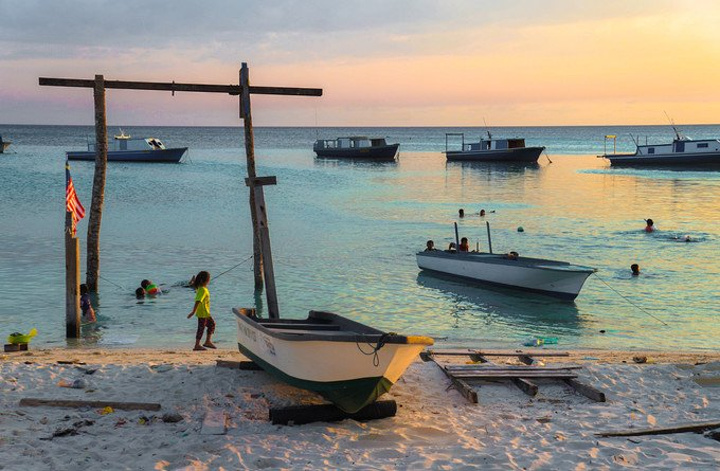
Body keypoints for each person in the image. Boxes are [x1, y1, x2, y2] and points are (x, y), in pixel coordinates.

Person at [187, 271, 215, 351]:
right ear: (204, 281)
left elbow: (195, 287)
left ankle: (207, 341)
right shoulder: (202, 290)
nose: (209, 281)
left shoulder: (201, 288)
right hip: (203, 313)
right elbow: (198, 301)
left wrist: (193, 282)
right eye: (208, 280)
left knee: (212, 324)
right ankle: (197, 345)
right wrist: (193, 312)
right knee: (201, 328)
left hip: (206, 313)